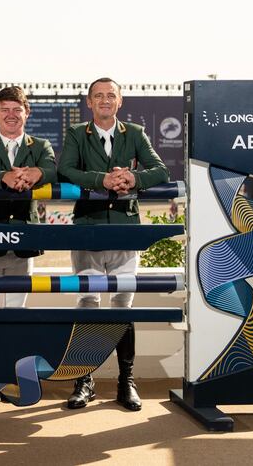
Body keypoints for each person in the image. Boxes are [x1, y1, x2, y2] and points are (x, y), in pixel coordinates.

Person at [58, 77, 169, 412]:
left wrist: (135, 178)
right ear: (89, 103)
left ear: (119, 102)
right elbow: (64, 170)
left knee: (123, 305)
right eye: (98, 96)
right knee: (88, 302)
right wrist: (101, 180)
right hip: (88, 229)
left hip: (125, 230)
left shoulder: (134, 133)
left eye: (111, 96)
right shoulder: (78, 133)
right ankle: (84, 380)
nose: (104, 101)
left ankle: (126, 382)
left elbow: (160, 170)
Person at [0, 86, 56, 308]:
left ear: (27, 112)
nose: (11, 115)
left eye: (17, 109)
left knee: (16, 309)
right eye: (5, 109)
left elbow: (53, 169)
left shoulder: (41, 145)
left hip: (25, 238)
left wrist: (36, 173)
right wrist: (4, 177)